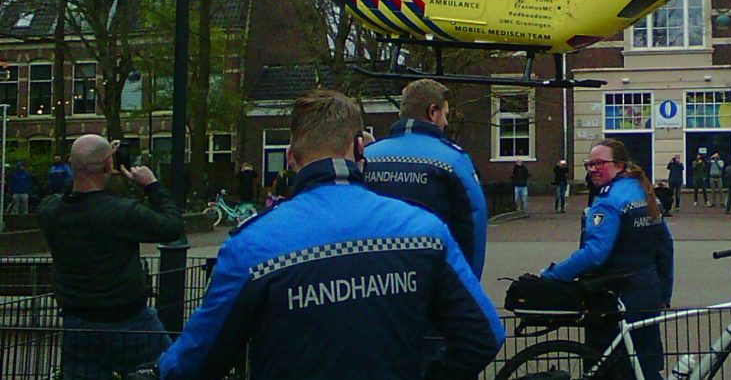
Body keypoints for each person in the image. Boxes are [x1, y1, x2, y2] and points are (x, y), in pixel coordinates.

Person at [157, 89, 504, 379]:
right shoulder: (424, 230)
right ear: (359, 148)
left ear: (291, 158)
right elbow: (485, 335)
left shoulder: (253, 246)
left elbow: (194, 362)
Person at [36, 135, 184, 379]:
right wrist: (151, 186)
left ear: (71, 164)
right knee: (165, 370)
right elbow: (172, 227)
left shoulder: (50, 212)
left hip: (78, 323)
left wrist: (89, 162)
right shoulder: (120, 212)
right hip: (129, 320)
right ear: (108, 166)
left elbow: (69, 196)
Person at [543, 139, 674, 380]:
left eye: (600, 163)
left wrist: (552, 275)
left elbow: (594, 254)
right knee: (644, 367)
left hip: (613, 296)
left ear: (620, 165)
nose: (592, 168)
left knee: (606, 369)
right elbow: (664, 246)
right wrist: (664, 292)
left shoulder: (609, 200)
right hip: (646, 292)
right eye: (589, 164)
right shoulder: (644, 192)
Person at [362, 79, 488, 278]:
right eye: (445, 114)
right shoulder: (453, 160)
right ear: (432, 112)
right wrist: (468, 284)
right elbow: (473, 223)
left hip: (377, 278)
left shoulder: (368, 157)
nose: (446, 123)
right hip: (430, 278)